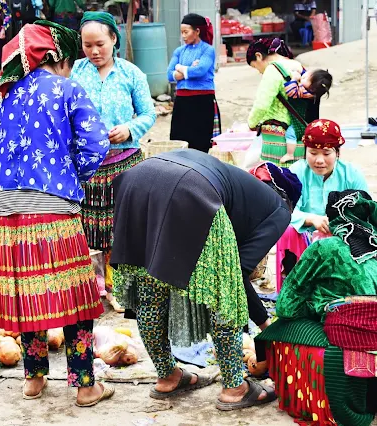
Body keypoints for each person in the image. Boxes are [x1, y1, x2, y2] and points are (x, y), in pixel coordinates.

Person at [0, 21, 114, 406]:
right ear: (55, 57)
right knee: (72, 298)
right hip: (53, 208)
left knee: (24, 297)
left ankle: (34, 379)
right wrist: (72, 172)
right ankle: (85, 385)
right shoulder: (67, 88)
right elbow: (96, 142)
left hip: (4, 210)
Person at [110, 150, 302, 409]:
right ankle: (235, 387)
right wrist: (266, 324)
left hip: (136, 180)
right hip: (191, 187)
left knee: (150, 288)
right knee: (225, 292)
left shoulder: (242, 189)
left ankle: (168, 375)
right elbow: (236, 277)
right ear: (289, 201)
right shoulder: (279, 209)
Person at [257, 190, 377, 425]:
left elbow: (286, 306)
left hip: (354, 366)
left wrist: (318, 306)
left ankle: (352, 396)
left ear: (332, 219)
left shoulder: (324, 249)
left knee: (285, 328)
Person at [71, 11, 156, 302]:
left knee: (123, 226)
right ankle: (92, 288)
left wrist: (130, 128)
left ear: (114, 40)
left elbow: (148, 113)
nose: (94, 51)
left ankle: (122, 290)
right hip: (87, 165)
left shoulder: (131, 73)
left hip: (125, 161)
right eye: (87, 45)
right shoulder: (75, 73)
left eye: (100, 44)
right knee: (89, 227)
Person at [275, 119, 368, 290]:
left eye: (326, 153)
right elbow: (284, 210)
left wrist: (340, 224)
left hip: (342, 239)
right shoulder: (295, 172)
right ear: (305, 151)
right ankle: (294, 289)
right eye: (313, 153)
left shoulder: (352, 174)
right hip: (303, 240)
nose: (319, 160)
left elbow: (367, 212)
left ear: (337, 152)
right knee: (287, 230)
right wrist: (310, 219)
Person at [247, 38, 309, 166]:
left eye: (255, 66)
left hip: (278, 139)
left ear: (258, 56)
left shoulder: (273, 69)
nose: (258, 71)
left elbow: (262, 104)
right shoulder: (297, 65)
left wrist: (251, 123)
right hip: (299, 131)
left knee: (276, 178)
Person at [168, 13, 219, 153]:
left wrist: (181, 68)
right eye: (182, 32)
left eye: (186, 32)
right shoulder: (179, 51)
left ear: (197, 31)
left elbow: (200, 71)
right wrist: (190, 69)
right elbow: (169, 75)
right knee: (179, 140)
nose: (183, 36)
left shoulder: (208, 50)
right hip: (182, 102)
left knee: (201, 141)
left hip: (202, 101)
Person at [279, 68, 332, 164]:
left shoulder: (305, 93)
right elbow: (306, 73)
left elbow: (291, 91)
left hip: (302, 124)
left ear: (312, 88)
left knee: (290, 133)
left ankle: (290, 154)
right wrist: (302, 72)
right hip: (311, 122)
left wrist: (294, 79)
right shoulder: (314, 90)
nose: (303, 77)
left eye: (305, 78)